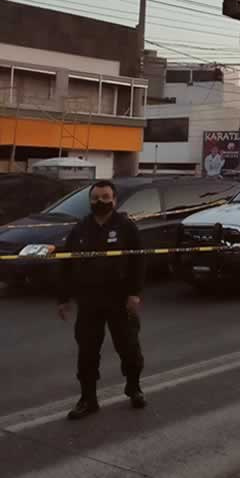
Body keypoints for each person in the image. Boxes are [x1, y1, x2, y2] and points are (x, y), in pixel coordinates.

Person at [57, 180, 147, 420]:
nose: (100, 202)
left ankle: (134, 387)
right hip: (89, 300)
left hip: (119, 300)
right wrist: (63, 298)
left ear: (114, 200)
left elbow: (138, 263)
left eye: (105, 197)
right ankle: (88, 399)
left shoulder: (126, 227)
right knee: (87, 352)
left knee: (129, 348)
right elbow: (66, 264)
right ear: (90, 200)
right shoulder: (80, 229)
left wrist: (134, 293)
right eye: (96, 198)